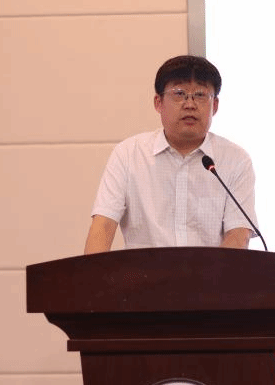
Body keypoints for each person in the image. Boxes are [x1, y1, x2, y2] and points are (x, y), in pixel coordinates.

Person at [83, 55, 257, 254]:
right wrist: (92, 273)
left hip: (210, 274)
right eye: (179, 93)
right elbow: (103, 226)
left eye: (200, 95)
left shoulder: (235, 160)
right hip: (142, 274)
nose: (190, 104)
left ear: (215, 106)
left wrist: (213, 274)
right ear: (158, 102)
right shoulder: (129, 154)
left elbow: (238, 235)